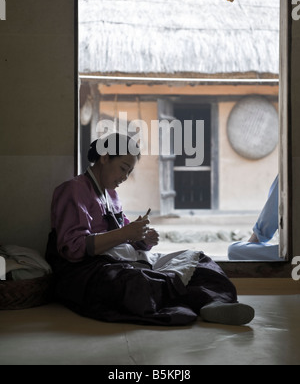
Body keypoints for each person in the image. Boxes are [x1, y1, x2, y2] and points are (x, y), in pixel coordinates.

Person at [46, 133, 255, 327]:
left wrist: (142, 238)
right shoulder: (73, 190)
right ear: (105, 157)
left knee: (199, 260)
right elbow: (72, 249)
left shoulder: (111, 196)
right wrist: (126, 234)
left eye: (129, 172)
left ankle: (214, 304)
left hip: (125, 261)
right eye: (123, 168)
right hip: (89, 271)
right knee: (133, 284)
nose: (125, 177)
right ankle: (197, 302)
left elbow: (124, 233)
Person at [228, 175, 282, 261]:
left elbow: (272, 212)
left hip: (294, 256)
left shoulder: (288, 172)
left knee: (234, 250)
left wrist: (252, 242)